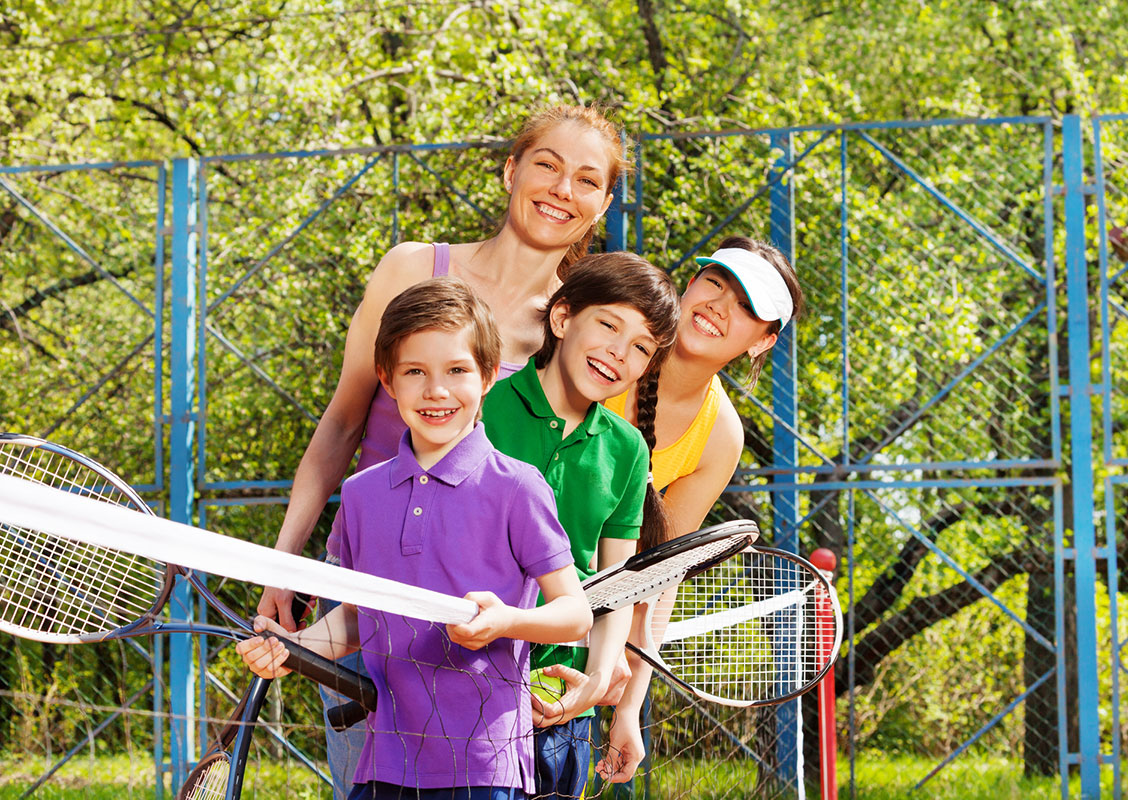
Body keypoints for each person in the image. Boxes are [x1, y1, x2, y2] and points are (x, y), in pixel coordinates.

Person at [255, 104, 629, 798]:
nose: (560, 189)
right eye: (546, 164)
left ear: (602, 203)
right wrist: (285, 567)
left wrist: (601, 665)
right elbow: (339, 426)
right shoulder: (410, 268)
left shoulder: (575, 327)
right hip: (372, 607)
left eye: (585, 179)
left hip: (483, 649)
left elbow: (602, 494)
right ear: (511, 169)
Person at [237, 278, 593, 799]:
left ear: (489, 376)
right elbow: (361, 616)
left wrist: (506, 622)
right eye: (415, 372)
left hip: (484, 767)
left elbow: (574, 615)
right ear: (387, 380)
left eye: (457, 371)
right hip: (383, 762)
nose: (437, 391)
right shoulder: (360, 495)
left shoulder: (517, 487)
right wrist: (292, 649)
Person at [594, 235, 805, 783]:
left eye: (745, 307)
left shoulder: (720, 436)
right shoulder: (609, 352)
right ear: (690, 284)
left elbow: (659, 575)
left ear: (763, 341)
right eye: (714, 283)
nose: (717, 307)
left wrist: (629, 705)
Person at [480, 252, 680, 799]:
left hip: (557, 708)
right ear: (563, 319)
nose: (619, 352)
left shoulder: (628, 448)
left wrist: (594, 681)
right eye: (609, 325)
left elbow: (617, 582)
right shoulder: (484, 405)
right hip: (467, 688)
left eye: (641, 347)